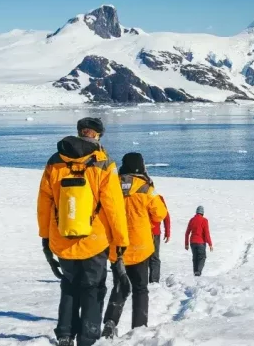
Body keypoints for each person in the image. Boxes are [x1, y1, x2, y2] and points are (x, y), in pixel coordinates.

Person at [38, 117, 128, 346]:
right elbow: (114, 208)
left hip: (62, 237)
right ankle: (88, 338)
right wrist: (120, 241)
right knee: (93, 288)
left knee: (69, 286)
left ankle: (65, 335)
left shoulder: (55, 162)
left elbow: (44, 204)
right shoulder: (103, 163)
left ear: (79, 132)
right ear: (97, 135)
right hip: (95, 240)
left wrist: (45, 237)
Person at [102, 153, 168, 339]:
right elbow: (160, 214)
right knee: (140, 288)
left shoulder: (112, 184)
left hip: (117, 248)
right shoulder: (145, 188)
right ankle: (139, 328)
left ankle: (110, 322)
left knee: (119, 286)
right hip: (140, 247)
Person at [185, 206, 213, 277]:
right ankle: (198, 272)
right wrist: (210, 244)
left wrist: (186, 244)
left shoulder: (192, 220)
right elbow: (206, 233)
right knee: (202, 257)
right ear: (203, 213)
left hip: (192, 242)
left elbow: (187, 233)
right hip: (201, 242)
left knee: (195, 257)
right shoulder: (204, 220)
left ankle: (195, 272)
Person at [149, 195, 170, 284]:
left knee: (141, 258)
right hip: (154, 232)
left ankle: (141, 282)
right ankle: (154, 282)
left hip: (141, 232)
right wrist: (167, 232)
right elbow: (165, 215)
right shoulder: (158, 198)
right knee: (154, 258)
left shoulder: (136, 194)